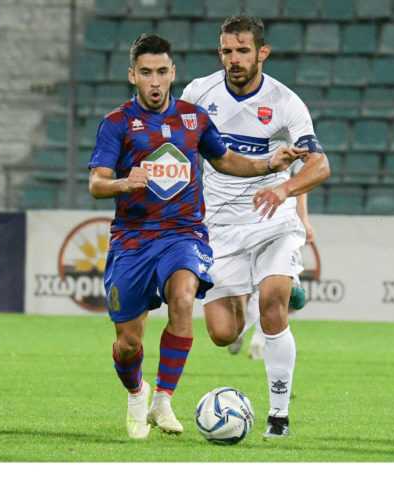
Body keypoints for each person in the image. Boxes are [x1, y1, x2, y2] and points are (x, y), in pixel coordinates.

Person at [88, 33, 306, 439]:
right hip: (133, 239)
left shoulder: (193, 118)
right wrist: (122, 183)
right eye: (146, 73)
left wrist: (269, 164)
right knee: (128, 343)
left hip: (183, 233)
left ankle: (163, 399)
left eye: (162, 72)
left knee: (184, 297)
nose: (155, 81)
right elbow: (96, 184)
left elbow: (225, 160)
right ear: (133, 75)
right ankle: (137, 392)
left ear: (173, 73)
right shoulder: (116, 123)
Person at [180, 16, 331, 437]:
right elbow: (177, 146)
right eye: (227, 51)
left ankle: (278, 416)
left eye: (243, 51)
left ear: (262, 53)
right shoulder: (198, 94)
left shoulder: (285, 103)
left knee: (273, 305)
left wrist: (285, 190)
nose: (234, 59)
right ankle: (255, 301)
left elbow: (320, 165)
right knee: (221, 333)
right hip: (219, 226)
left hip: (272, 220)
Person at [228, 181, 315, 360]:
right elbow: (300, 188)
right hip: (263, 224)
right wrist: (304, 219)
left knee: (271, 292)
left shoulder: (291, 164)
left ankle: (249, 336)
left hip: (276, 224)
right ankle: (253, 338)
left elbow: (300, 186)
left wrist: (304, 219)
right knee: (277, 294)